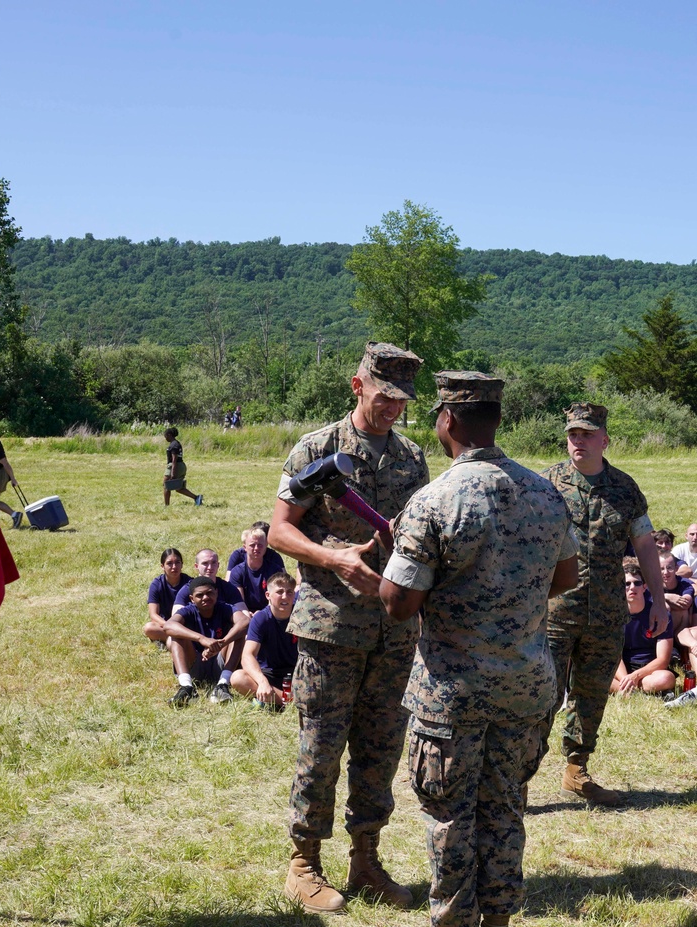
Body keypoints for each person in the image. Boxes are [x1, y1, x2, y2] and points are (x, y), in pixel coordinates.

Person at [380, 371, 579, 927]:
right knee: (505, 811)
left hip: (453, 697)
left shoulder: (434, 501)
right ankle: (499, 919)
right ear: (496, 420)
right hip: (525, 687)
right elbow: (565, 575)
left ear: (447, 420)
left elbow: (398, 603)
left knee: (451, 819)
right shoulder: (545, 492)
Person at [270, 341, 428, 914]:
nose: (393, 409)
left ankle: (366, 860)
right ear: (357, 385)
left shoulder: (411, 458)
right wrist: (335, 558)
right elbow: (280, 532)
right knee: (322, 746)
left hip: (393, 628)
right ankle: (304, 863)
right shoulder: (316, 448)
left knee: (381, 747)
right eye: (384, 396)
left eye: (402, 400)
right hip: (331, 626)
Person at [542, 402, 669, 807]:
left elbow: (645, 545)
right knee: (542, 692)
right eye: (572, 434)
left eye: (585, 434)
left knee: (592, 692)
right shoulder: (545, 484)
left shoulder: (625, 489)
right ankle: (517, 777)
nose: (577, 441)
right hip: (554, 612)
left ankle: (576, 770)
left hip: (605, 613)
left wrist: (659, 601)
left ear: (604, 440)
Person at [164, 576, 248, 706]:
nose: (205, 598)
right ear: (192, 599)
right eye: (200, 595)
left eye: (209, 593)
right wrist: (202, 639)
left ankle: (223, 684)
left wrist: (221, 644)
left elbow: (245, 621)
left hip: (221, 662)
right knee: (176, 635)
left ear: (216, 593)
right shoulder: (188, 611)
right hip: (195, 663)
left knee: (239, 633)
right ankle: (187, 687)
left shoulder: (224, 608)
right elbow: (168, 626)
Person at [231, 571, 298, 709]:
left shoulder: (301, 616)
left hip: (297, 672)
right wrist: (262, 682)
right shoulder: (260, 618)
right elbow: (247, 655)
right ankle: (291, 702)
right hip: (269, 674)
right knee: (238, 677)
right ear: (268, 595)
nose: (285, 596)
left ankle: (274, 700)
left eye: (289, 592)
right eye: (279, 592)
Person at [610, 558, 675, 697]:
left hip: (649, 669)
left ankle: (625, 691)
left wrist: (636, 676)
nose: (632, 587)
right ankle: (633, 689)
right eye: (627, 584)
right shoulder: (613, 616)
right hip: (621, 668)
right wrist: (625, 679)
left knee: (666, 678)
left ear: (644, 586)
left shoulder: (660, 615)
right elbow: (614, 655)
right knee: (593, 677)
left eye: (637, 583)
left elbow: (663, 660)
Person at [171, 549, 246, 618]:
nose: (210, 567)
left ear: (218, 565)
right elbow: (175, 618)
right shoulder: (187, 590)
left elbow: (245, 616)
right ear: (196, 566)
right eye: (205, 563)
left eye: (213, 563)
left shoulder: (229, 588)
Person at [143, 549, 192, 646]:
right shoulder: (157, 584)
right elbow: (153, 615)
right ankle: (180, 639)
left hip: (185, 625)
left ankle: (175, 639)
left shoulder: (190, 583)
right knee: (149, 628)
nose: (174, 567)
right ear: (162, 566)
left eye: (177, 562)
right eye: (169, 563)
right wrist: (170, 626)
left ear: (182, 564)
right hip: (165, 624)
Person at [227, 527, 274, 613]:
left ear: (266, 546)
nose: (256, 548)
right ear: (245, 547)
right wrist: (248, 614)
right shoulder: (237, 572)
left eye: (260, 545)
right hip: (245, 613)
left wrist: (261, 614)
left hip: (269, 612)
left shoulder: (274, 570)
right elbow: (239, 602)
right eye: (252, 545)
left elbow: (275, 600)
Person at [659, 550, 695, 643]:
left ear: (676, 568)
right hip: (658, 628)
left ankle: (677, 645)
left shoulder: (684, 583)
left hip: (680, 627)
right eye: (661, 569)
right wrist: (666, 596)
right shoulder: (651, 585)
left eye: (669, 568)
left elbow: (685, 603)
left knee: (683, 611)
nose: (665, 572)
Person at [163, 427, 202, 506]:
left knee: (166, 485)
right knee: (179, 488)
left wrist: (173, 473)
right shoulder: (177, 443)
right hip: (181, 466)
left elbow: (174, 459)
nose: (165, 438)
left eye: (166, 436)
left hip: (175, 466)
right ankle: (196, 498)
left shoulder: (173, 445)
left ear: (169, 435)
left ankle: (166, 506)